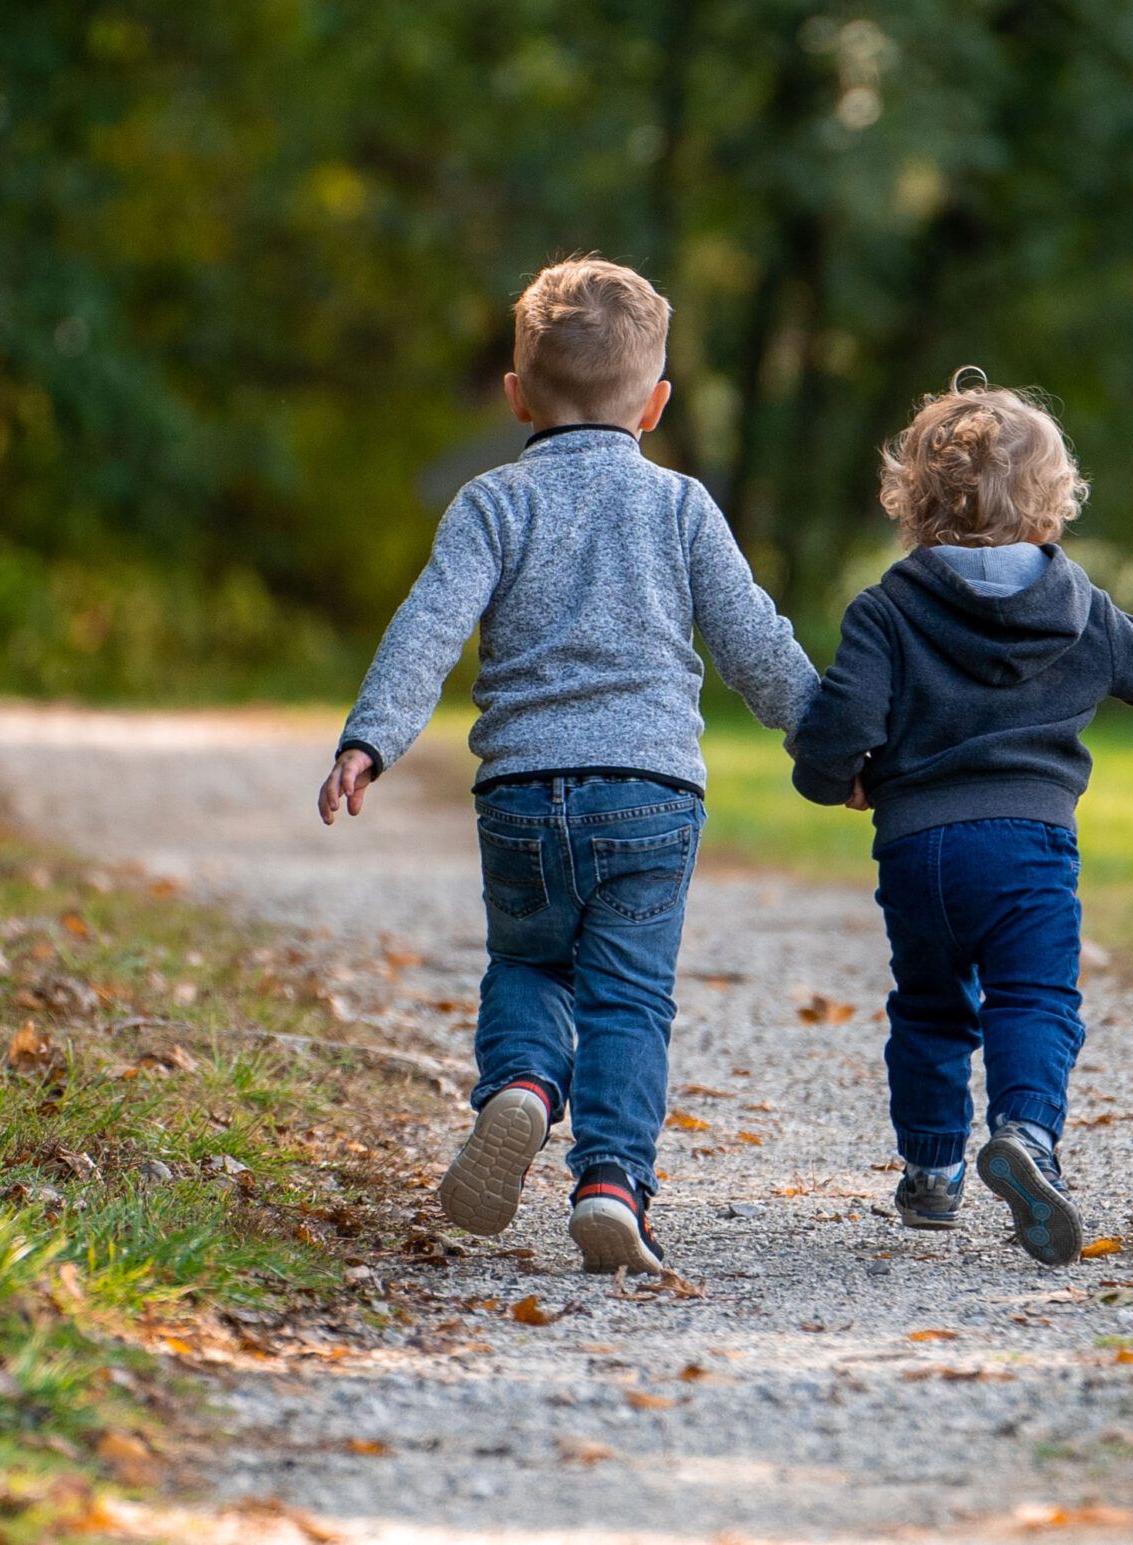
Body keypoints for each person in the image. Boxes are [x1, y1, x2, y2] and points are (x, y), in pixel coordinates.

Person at [320, 257, 817, 1274]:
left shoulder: (491, 505)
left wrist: (370, 738)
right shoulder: (681, 507)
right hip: (650, 796)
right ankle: (610, 1184)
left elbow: (428, 629)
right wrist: (830, 740)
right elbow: (751, 640)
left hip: (520, 793)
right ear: (657, 403)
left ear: (515, 397)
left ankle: (523, 1084)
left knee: (529, 962)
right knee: (628, 999)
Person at [787, 372, 1133, 1266]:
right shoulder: (1079, 610)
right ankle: (1026, 1134)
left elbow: (841, 725)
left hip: (917, 852)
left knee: (928, 1005)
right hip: (1030, 848)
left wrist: (837, 780)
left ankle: (931, 1170)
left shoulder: (887, 609)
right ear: (1048, 510)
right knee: (1034, 996)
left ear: (913, 505)